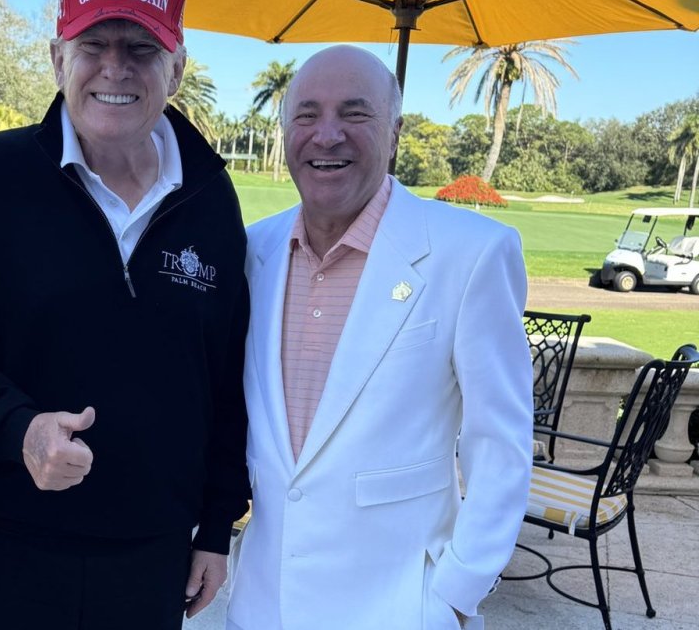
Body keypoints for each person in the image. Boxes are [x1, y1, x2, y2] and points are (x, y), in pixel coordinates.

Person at [0, 0, 250, 630]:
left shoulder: (210, 197)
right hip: (6, 539)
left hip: (152, 553)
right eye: (93, 45)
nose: (113, 69)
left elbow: (225, 374)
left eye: (140, 48)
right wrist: (18, 429)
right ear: (57, 57)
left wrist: (215, 525)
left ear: (176, 67)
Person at [224, 45, 533, 630]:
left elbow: (501, 443)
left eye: (355, 113)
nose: (328, 134)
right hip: (263, 604)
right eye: (307, 114)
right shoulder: (251, 251)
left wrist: (457, 593)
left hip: (397, 607)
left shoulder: (470, 253)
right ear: (286, 129)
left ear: (394, 132)